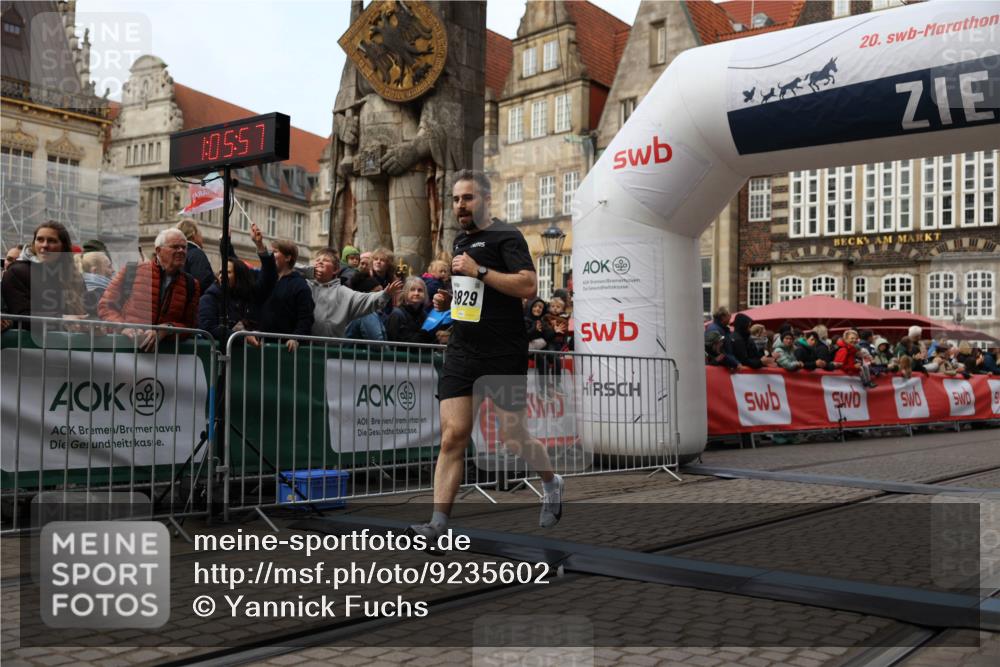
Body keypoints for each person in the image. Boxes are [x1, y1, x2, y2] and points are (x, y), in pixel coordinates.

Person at [409, 170, 562, 542]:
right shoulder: (460, 240)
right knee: (452, 436)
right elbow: (474, 292)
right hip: (464, 350)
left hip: (503, 352)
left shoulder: (506, 236)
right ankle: (438, 525)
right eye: (456, 199)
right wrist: (450, 298)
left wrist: (479, 270)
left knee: (513, 436)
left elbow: (528, 285)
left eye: (468, 198)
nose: (460, 205)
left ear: (486, 201)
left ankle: (551, 481)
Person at [98, 228, 201, 350]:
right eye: (175, 247)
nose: (181, 251)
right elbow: (105, 306)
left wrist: (167, 329)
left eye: (184, 247)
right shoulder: (133, 271)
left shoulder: (191, 284)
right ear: (158, 250)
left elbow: (190, 326)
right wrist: (123, 327)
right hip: (124, 353)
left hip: (165, 360)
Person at [197, 223, 276, 345]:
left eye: (228, 272)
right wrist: (241, 337)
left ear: (239, 276)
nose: (222, 275)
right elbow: (207, 327)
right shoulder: (210, 298)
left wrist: (260, 245)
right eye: (221, 272)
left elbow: (269, 277)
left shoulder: (250, 295)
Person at [1, 222, 86, 325]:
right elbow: (21, 315)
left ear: (63, 247)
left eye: (52, 241)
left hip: (70, 340)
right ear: (33, 243)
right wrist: (62, 319)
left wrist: (92, 325)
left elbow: (85, 311)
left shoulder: (74, 276)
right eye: (40, 239)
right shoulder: (17, 272)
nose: (44, 245)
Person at [308, 248, 402, 339]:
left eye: (325, 260)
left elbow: (366, 300)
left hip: (335, 348)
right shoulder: (306, 286)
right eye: (317, 260)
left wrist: (385, 294)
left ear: (335, 269)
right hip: (309, 347)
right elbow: (293, 268)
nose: (320, 262)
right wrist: (309, 271)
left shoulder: (343, 292)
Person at [258, 239, 314, 352]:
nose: (271, 256)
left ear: (288, 258)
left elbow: (306, 318)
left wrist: (296, 338)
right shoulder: (266, 280)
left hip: (284, 350)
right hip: (261, 346)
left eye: (275, 252)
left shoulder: (300, 285)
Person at [386, 276, 436, 344]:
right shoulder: (397, 314)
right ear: (405, 292)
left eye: (420, 290)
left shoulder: (425, 315)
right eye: (412, 290)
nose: (416, 293)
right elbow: (395, 341)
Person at [176, 218, 216, 293]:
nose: (202, 237)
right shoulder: (197, 254)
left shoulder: (178, 253)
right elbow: (203, 282)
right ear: (194, 235)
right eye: (200, 234)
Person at [80, 251, 115, 319]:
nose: (113, 270)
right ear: (94, 271)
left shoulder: (79, 290)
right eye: (109, 266)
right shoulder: (98, 295)